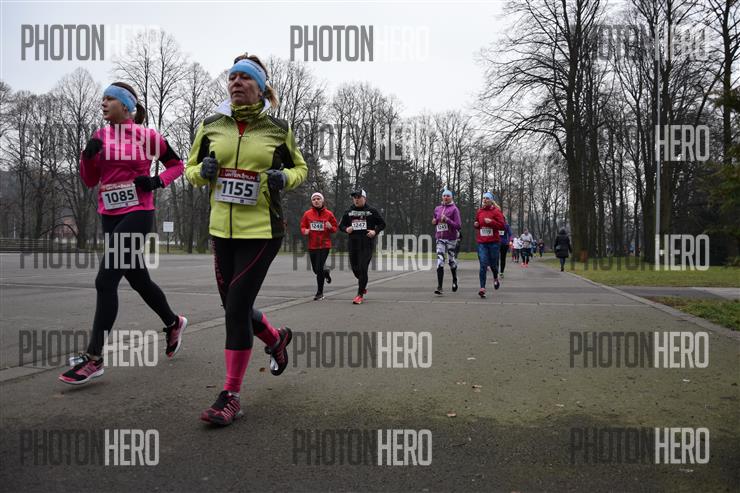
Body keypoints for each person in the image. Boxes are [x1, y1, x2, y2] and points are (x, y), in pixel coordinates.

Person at [185, 53, 307, 425]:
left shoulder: (278, 129)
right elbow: (190, 169)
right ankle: (276, 339)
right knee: (233, 307)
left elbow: (300, 168)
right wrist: (202, 171)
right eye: (232, 77)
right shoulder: (211, 125)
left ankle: (231, 396)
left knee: (236, 307)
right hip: (222, 230)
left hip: (262, 231)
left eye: (245, 77)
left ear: (261, 88)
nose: (236, 82)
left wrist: (284, 178)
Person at [59, 82, 187, 386]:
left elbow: (177, 165)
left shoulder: (147, 136)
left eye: (109, 99)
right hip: (110, 215)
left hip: (138, 212)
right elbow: (90, 180)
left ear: (126, 106)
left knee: (105, 281)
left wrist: (156, 182)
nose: (103, 103)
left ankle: (94, 358)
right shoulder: (99, 136)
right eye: (102, 99)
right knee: (139, 280)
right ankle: (173, 322)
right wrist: (87, 157)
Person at [338, 189, 385, 304]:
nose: (356, 199)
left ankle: (359, 295)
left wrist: (374, 231)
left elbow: (382, 224)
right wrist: (346, 229)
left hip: (366, 244)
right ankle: (363, 285)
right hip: (353, 243)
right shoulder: (349, 211)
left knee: (363, 268)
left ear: (364, 198)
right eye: (354, 197)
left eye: (359, 197)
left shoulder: (371, 211)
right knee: (356, 269)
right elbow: (341, 225)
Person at [300, 192, 338, 300]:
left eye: (318, 199)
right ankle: (326, 272)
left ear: (322, 201)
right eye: (314, 199)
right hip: (312, 245)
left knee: (319, 268)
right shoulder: (307, 214)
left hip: (324, 245)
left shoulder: (329, 214)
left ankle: (319, 293)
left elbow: (335, 228)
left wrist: (330, 227)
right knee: (316, 270)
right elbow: (302, 226)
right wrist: (305, 231)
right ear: (312, 202)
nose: (316, 201)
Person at [474, 192, 505, 298]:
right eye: (484, 198)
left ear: (491, 200)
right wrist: (476, 225)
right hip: (482, 242)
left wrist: (491, 222)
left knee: (493, 265)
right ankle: (482, 288)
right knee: (483, 264)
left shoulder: (496, 212)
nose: (485, 200)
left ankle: (495, 277)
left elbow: (502, 226)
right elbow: (477, 223)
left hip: (494, 243)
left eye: (487, 198)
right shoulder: (480, 211)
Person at [432, 189, 461, 294]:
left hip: (451, 238)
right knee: (440, 261)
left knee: (451, 261)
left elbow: (458, 225)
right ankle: (439, 287)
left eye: (448, 196)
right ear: (442, 197)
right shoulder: (437, 208)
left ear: (451, 197)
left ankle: (455, 279)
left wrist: (447, 220)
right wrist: (435, 221)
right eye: (444, 196)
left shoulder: (454, 209)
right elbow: (435, 220)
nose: (445, 197)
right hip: (440, 238)